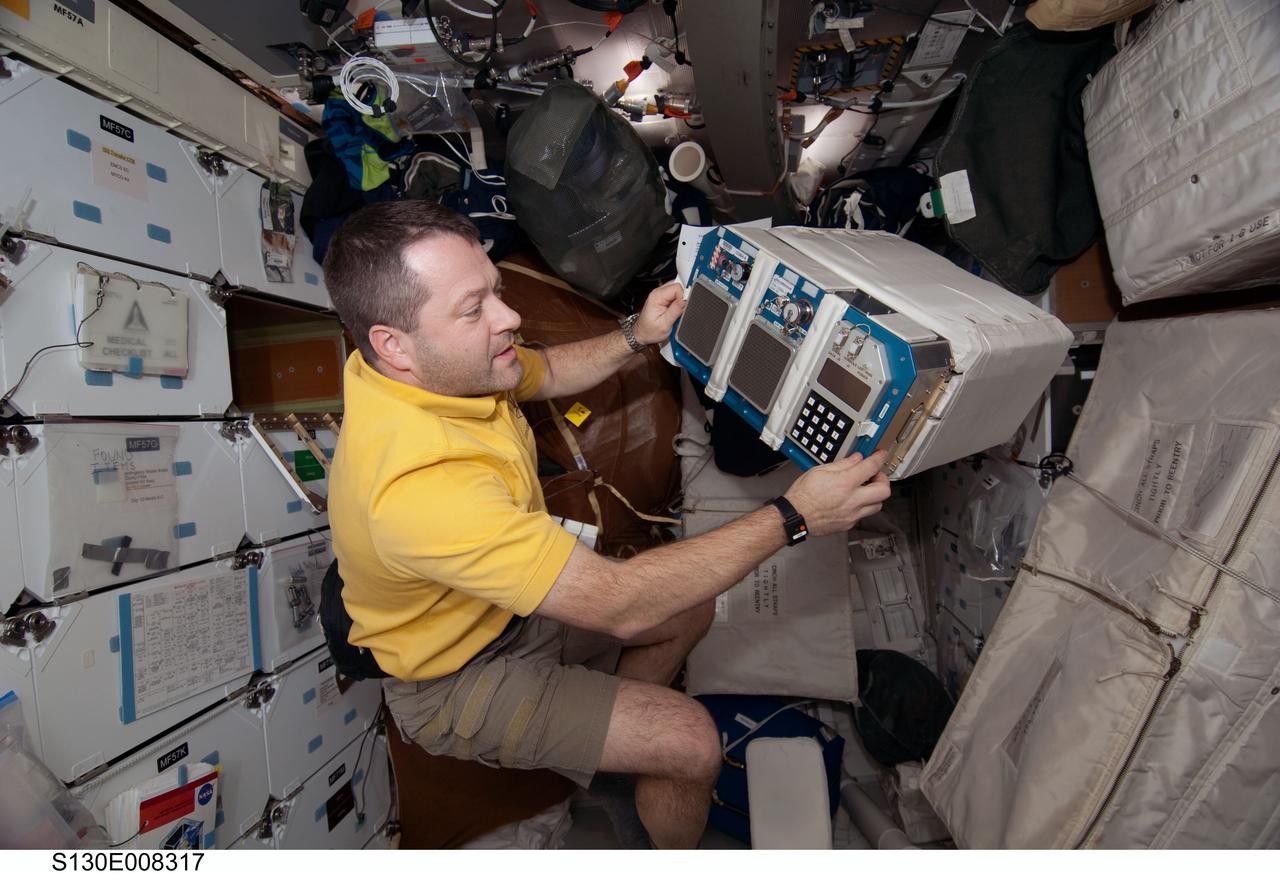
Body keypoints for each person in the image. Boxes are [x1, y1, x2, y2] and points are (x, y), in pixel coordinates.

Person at [323, 201, 890, 849]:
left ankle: (608, 744)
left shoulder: (440, 366)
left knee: (688, 608)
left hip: (496, 612)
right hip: (456, 678)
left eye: (496, 290)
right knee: (690, 742)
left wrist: (636, 334)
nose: (510, 318)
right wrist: (796, 515)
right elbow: (620, 605)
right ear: (392, 345)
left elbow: (547, 371)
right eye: (474, 309)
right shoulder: (416, 487)